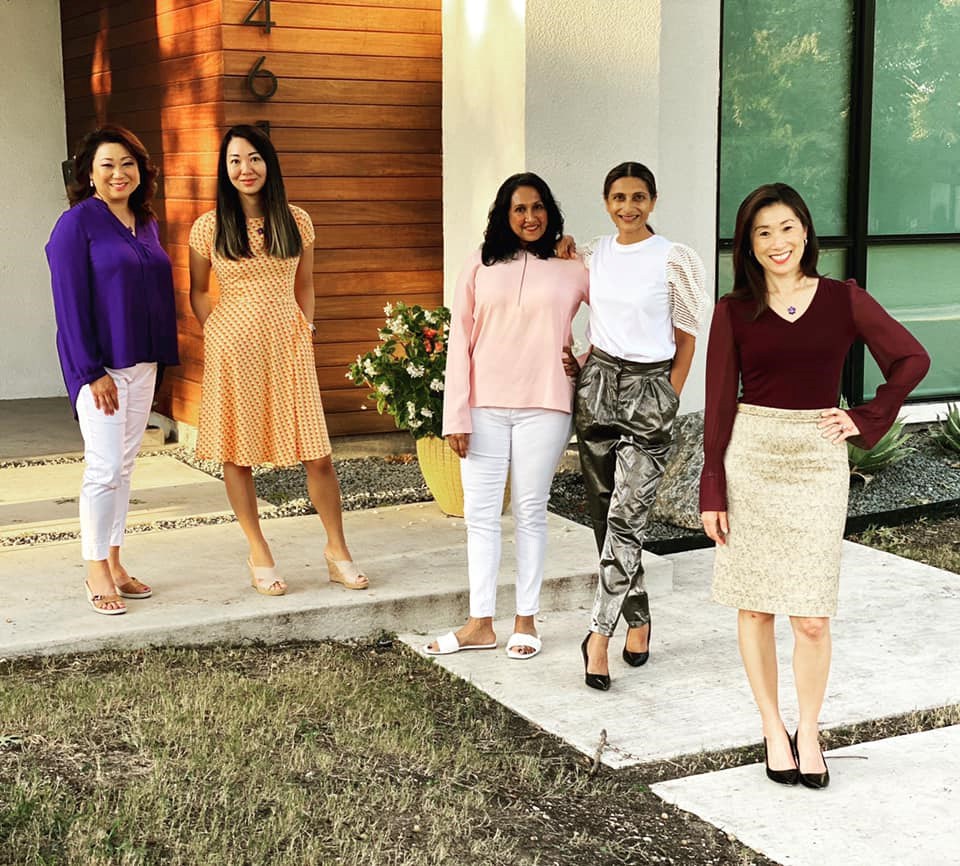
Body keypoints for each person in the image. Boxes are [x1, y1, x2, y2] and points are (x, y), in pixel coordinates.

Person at [700, 183, 929, 788]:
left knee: (811, 617)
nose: (778, 242)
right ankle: (773, 729)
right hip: (751, 456)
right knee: (755, 604)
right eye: (762, 232)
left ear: (806, 231)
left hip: (817, 461)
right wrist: (712, 486)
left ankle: (810, 729)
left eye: (786, 227)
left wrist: (866, 417)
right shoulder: (732, 311)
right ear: (749, 246)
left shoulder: (844, 300)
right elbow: (719, 402)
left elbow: (912, 361)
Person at [189, 125, 364, 595]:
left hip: (288, 342)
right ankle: (258, 550)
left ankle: (336, 550)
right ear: (224, 171)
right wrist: (218, 330)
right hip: (233, 347)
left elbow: (304, 284)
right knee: (236, 452)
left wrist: (306, 326)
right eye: (234, 161)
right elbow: (198, 291)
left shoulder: (297, 220)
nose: (245, 169)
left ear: (269, 163)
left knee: (318, 453)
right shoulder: (209, 227)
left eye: (253, 158)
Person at [424, 172, 589, 659]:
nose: (530, 217)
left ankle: (526, 620)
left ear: (550, 211)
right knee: (480, 516)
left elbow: (617, 310)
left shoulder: (573, 266)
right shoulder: (478, 265)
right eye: (519, 209)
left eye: (538, 207)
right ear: (504, 214)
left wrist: (584, 361)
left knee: (531, 511)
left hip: (546, 404)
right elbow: (460, 341)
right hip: (483, 407)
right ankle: (480, 623)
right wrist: (456, 413)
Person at [566, 162, 708, 690]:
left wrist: (670, 391)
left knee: (630, 515)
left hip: (651, 387)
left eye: (639, 197)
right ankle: (639, 617)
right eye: (619, 197)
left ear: (654, 200)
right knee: (606, 516)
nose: (629, 206)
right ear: (606, 201)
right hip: (599, 381)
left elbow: (688, 334)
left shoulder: (674, 258)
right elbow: (560, 290)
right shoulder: (594, 253)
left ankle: (598, 635)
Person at [46, 124, 180, 615]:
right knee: (102, 469)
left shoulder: (146, 222)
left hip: (143, 362)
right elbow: (69, 303)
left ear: (141, 171)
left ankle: (117, 562)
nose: (119, 173)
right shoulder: (75, 224)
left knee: (123, 468)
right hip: (100, 368)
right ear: (89, 174)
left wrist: (160, 362)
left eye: (128, 164)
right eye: (108, 165)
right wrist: (90, 370)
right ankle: (95, 569)